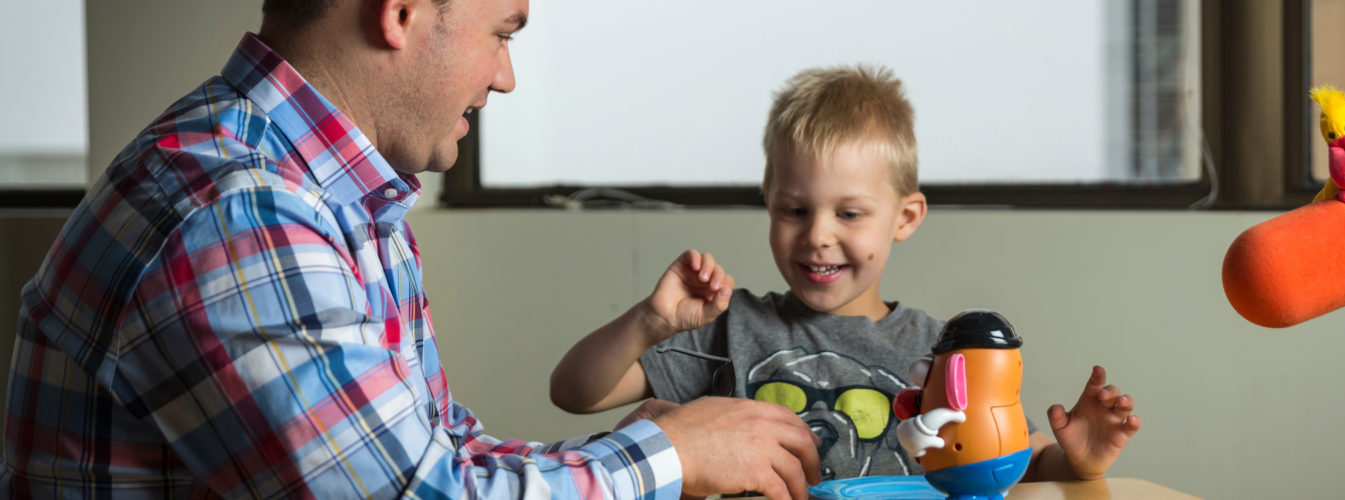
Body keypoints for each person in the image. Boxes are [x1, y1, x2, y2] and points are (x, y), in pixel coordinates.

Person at [0, 0, 821, 498]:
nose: (506, 77)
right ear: (399, 13)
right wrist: (666, 457)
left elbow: (437, 451)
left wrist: (634, 456)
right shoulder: (242, 216)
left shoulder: (334, 194)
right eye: (502, 33)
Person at [550, 65, 1142, 483]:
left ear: (904, 218)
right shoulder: (730, 327)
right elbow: (576, 392)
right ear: (769, 203)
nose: (817, 235)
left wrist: (1080, 459)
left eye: (849, 213)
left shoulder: (940, 353)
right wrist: (649, 322)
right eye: (795, 210)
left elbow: (1018, 460)